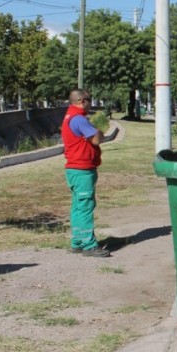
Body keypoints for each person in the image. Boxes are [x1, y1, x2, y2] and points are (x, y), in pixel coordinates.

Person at [61, 89, 110, 257]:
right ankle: (89, 246)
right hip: (82, 170)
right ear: (82, 101)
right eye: (89, 100)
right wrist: (100, 131)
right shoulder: (79, 119)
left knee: (77, 207)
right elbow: (96, 139)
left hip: (74, 170)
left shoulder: (70, 116)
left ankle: (77, 241)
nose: (91, 104)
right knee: (85, 207)